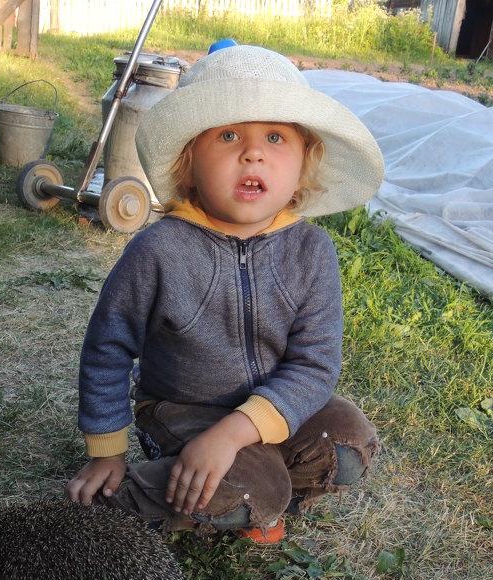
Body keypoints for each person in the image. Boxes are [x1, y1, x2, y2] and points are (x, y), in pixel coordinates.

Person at [65, 44, 384, 543]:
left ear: (304, 162)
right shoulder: (159, 249)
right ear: (190, 162)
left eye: (275, 137)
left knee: (347, 441)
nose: (252, 152)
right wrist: (107, 449)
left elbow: (315, 364)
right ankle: (119, 506)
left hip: (266, 409)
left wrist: (237, 432)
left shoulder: (311, 251)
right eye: (229, 135)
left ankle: (252, 486)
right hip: (179, 409)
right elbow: (108, 348)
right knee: (258, 488)